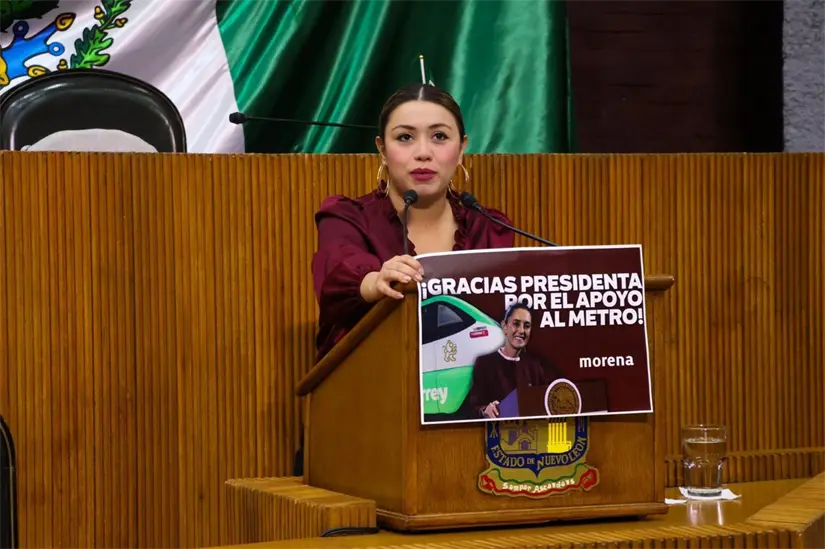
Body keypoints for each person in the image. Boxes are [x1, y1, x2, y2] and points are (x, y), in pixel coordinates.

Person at [311, 83, 515, 361]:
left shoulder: (489, 227)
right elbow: (337, 275)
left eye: (439, 136)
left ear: (462, 148)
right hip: (369, 389)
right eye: (405, 137)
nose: (423, 152)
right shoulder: (347, 218)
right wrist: (375, 282)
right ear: (382, 149)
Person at [461, 302, 561, 419]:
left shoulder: (534, 366)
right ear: (504, 327)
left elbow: (546, 403)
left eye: (527, 326)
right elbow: (472, 409)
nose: (521, 330)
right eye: (516, 324)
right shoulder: (485, 364)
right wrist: (485, 410)